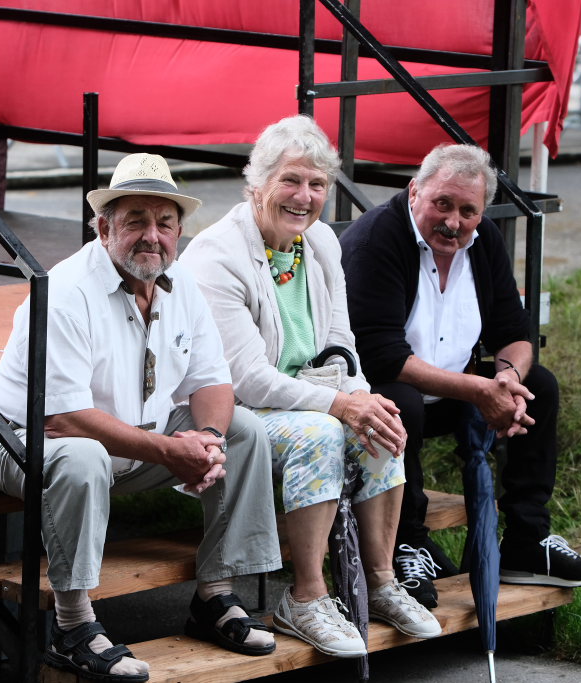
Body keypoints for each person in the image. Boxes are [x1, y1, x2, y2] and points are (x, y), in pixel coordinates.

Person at [0, 153, 282, 682]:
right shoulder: (67, 291)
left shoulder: (181, 282)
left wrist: (207, 439)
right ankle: (72, 628)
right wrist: (169, 451)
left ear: (179, 232)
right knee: (83, 456)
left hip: (126, 435)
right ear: (105, 228)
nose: (152, 236)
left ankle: (215, 596)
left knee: (244, 431)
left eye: (165, 223)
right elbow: (64, 419)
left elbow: (212, 382)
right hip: (15, 437)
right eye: (136, 221)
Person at [180, 115, 441, 659]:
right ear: (257, 184)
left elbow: (342, 340)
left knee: (382, 419)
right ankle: (306, 597)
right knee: (320, 433)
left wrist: (362, 398)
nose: (304, 197)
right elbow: (248, 379)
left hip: (309, 396)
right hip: (233, 410)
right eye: (291, 181)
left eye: (317, 184)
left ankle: (380, 582)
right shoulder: (217, 256)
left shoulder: (319, 241)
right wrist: (342, 405)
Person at [339, 143, 581, 609]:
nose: (454, 222)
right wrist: (480, 390)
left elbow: (516, 333)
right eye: (442, 204)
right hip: (374, 391)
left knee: (539, 386)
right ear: (414, 192)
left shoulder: (483, 241)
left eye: (468, 211)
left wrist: (507, 381)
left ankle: (527, 541)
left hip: (453, 388)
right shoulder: (377, 240)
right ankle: (406, 544)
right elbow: (383, 356)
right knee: (400, 401)